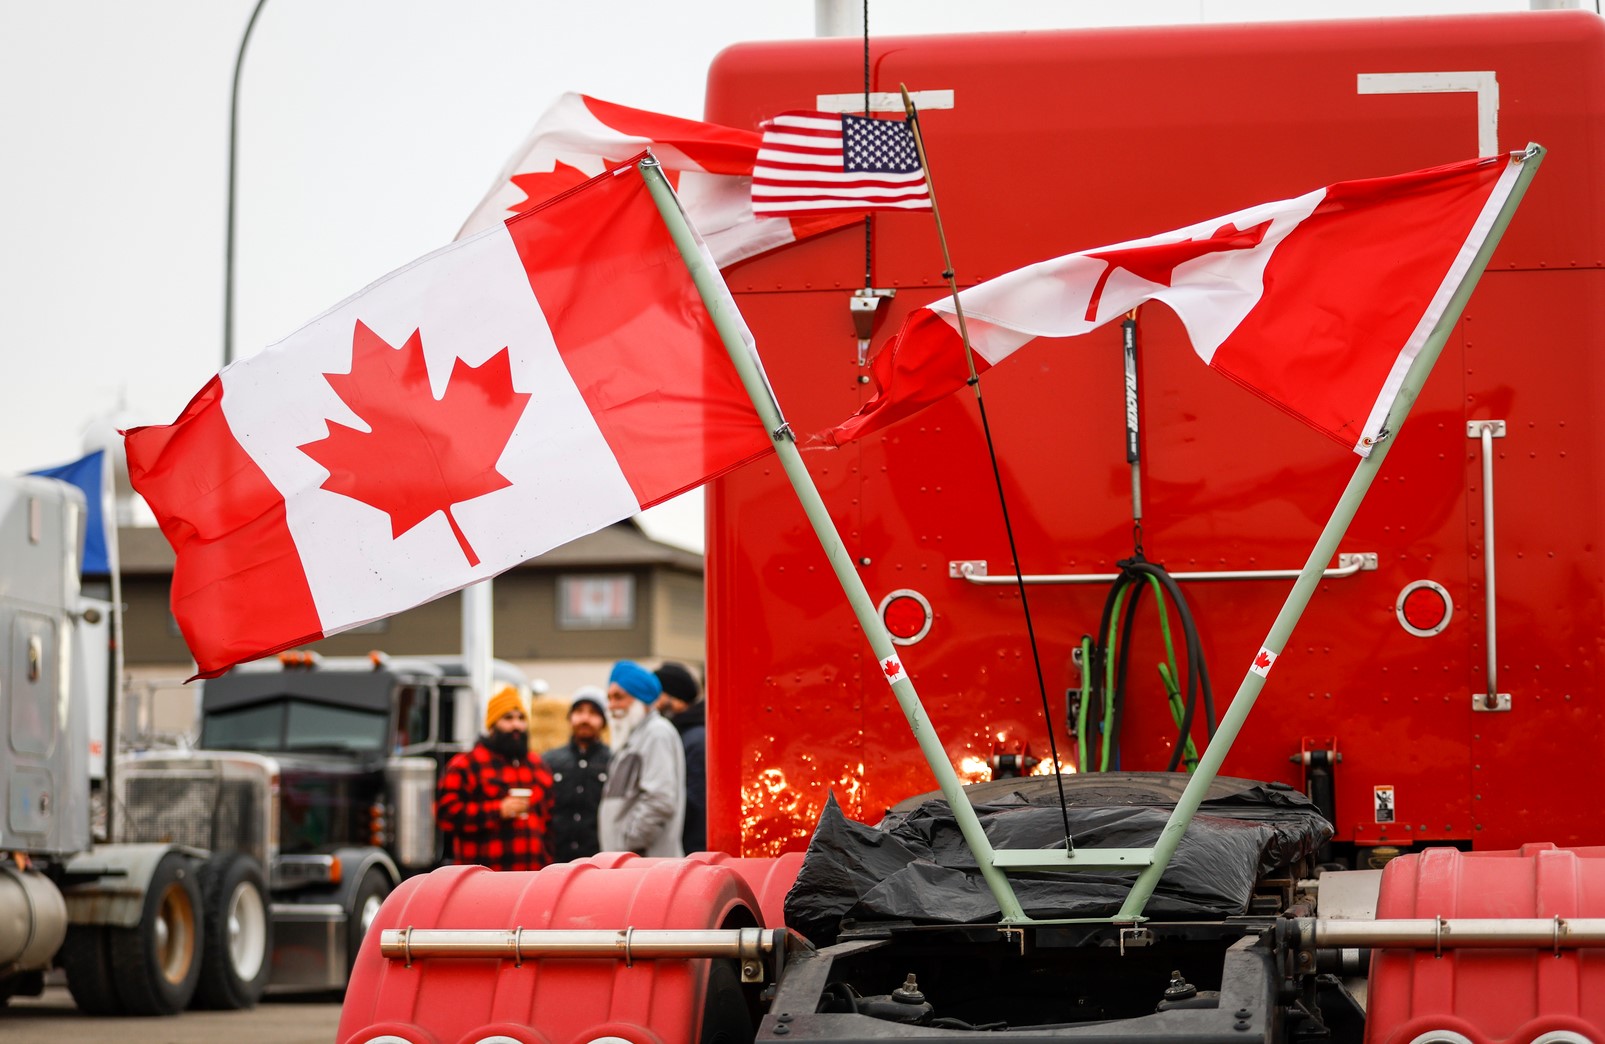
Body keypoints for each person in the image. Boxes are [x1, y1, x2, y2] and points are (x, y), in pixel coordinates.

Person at [435, 684, 555, 871]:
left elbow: (550, 823)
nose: (516, 725)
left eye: (521, 718)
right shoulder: (466, 764)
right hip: (485, 881)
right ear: (492, 726)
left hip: (532, 879)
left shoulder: (538, 765)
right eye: (508, 718)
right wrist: (497, 810)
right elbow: (446, 814)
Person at [597, 660, 685, 857]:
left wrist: (630, 844)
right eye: (609, 698)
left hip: (645, 867)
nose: (612, 706)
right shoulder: (632, 738)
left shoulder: (656, 733)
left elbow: (660, 800)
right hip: (632, 866)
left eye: (619, 697)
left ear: (641, 700)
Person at [542, 686, 612, 861]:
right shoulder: (550, 760)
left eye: (593, 713)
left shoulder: (614, 761)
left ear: (604, 721)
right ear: (569, 717)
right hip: (556, 859)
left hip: (598, 860)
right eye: (579, 711)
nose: (585, 718)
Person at [654, 662, 706, 854]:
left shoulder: (695, 740)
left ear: (675, 698)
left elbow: (694, 805)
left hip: (692, 849)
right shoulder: (684, 734)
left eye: (658, 695)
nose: (654, 703)